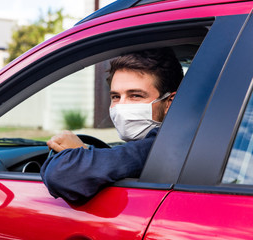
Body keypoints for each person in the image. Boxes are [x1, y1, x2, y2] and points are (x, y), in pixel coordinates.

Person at [40, 48, 184, 204]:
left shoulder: (166, 145)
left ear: (170, 102)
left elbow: (62, 174)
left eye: (135, 95)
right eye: (116, 96)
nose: (121, 107)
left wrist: (81, 154)